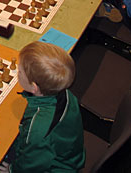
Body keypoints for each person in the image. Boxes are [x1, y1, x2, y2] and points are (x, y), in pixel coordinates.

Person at [5, 41, 84, 173]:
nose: (17, 73)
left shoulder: (38, 129)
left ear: (34, 87)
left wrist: (12, 169)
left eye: (20, 72)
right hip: (68, 153)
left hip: (56, 168)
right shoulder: (66, 93)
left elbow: (31, 164)